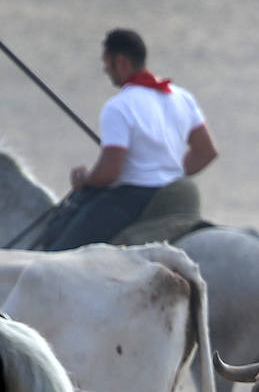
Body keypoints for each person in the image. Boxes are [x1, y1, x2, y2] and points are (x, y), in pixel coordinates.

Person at [42, 28, 217, 250]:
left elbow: (109, 173)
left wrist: (86, 178)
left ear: (122, 62)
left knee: (59, 256)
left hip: (132, 199)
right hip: (179, 193)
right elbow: (206, 152)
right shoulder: (182, 97)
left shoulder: (119, 106)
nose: (105, 70)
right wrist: (167, 172)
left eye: (108, 63)